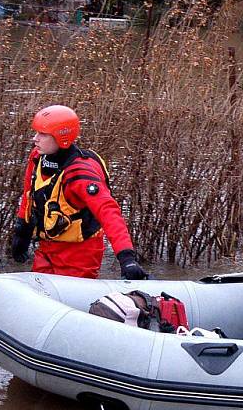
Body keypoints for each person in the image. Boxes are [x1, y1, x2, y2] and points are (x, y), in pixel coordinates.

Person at [11, 105, 147, 280]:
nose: (35, 138)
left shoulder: (80, 173)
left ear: (61, 137)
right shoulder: (38, 158)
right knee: (39, 289)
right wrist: (22, 231)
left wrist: (126, 257)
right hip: (47, 249)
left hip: (80, 254)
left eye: (42, 134)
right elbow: (29, 195)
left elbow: (108, 212)